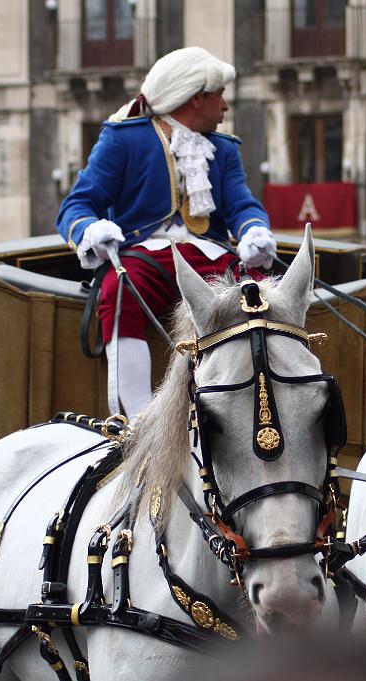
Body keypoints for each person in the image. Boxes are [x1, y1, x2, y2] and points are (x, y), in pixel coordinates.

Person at [56, 46, 277, 417]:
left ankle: (258, 405)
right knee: (118, 289)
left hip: (210, 259)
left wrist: (255, 230)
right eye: (219, 96)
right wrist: (91, 229)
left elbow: (241, 204)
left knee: (264, 294)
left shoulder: (223, 149)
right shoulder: (124, 139)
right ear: (196, 98)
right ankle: (142, 420)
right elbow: (76, 205)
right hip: (144, 256)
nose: (224, 107)